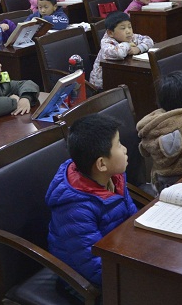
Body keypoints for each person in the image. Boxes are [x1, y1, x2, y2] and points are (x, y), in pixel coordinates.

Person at [46, 113, 137, 289]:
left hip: (118, 254)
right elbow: (95, 268)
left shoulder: (112, 177)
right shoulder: (75, 209)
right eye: (119, 145)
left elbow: (130, 217)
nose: (125, 149)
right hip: (84, 283)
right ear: (101, 164)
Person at [90, 12, 154, 89]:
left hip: (119, 78)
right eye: (123, 28)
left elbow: (149, 40)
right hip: (102, 86)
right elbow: (119, 53)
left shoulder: (130, 37)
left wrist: (138, 49)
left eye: (129, 27)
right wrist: (128, 45)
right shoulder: (106, 42)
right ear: (110, 33)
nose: (128, 31)